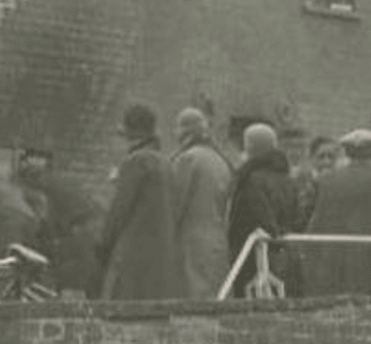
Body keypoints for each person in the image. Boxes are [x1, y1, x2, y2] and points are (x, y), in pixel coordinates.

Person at [301, 128, 371, 296]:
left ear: (346, 152)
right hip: (368, 270)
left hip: (325, 269)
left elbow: (301, 218)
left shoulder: (323, 181)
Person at [95, 105, 184, 300]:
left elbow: (119, 211)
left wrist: (103, 243)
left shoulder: (135, 162)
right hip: (162, 256)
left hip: (133, 255)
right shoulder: (166, 163)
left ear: (130, 132)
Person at [223, 122, 300, 295]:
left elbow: (256, 221)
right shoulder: (288, 181)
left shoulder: (250, 181)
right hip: (285, 257)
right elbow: (297, 219)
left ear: (248, 147)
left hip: (255, 259)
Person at [12, 147, 100, 296]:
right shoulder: (57, 186)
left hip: (79, 244)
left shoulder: (48, 190)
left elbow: (45, 221)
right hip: (83, 241)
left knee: (70, 287)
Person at [170, 107, 234, 300]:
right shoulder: (221, 161)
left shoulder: (187, 159)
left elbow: (175, 204)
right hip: (219, 242)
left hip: (191, 242)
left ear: (184, 131)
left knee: (191, 303)